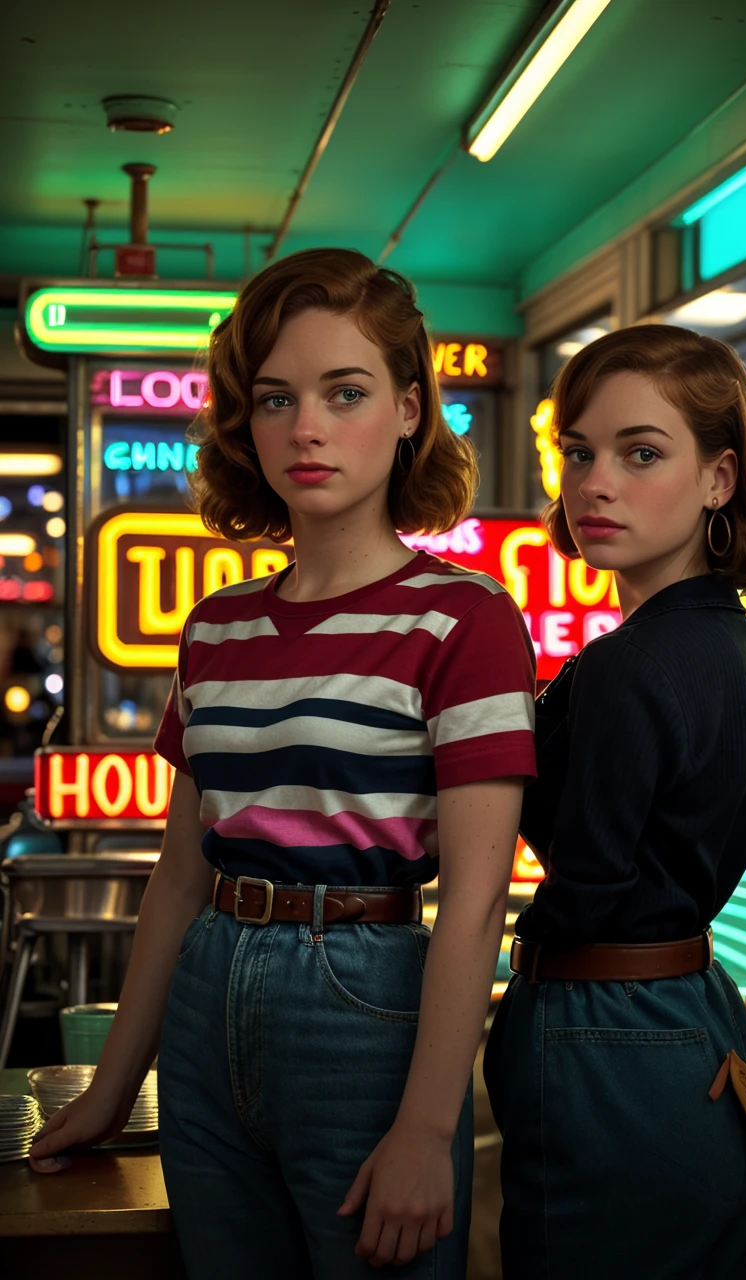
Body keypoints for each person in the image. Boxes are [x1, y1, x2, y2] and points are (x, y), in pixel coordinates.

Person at [30, 248, 537, 1279]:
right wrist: (115, 1085)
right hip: (208, 987)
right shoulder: (216, 626)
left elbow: (479, 900)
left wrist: (428, 1126)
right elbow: (179, 869)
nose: (306, 426)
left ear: (407, 409)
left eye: (345, 392)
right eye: (276, 397)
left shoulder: (467, 617)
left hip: (367, 995)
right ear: (245, 421)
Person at [484, 325, 746, 1280]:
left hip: (595, 1033)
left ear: (721, 479)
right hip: (704, 1028)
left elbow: (585, 889)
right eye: (580, 451)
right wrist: (744, 1055)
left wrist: (520, 998)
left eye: (643, 453)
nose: (595, 483)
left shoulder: (626, 667)